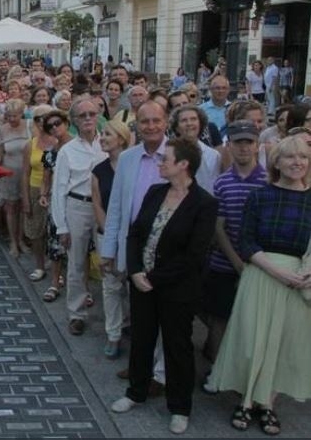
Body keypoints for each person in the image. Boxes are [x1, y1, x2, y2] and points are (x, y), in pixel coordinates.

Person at [110, 138, 218, 436]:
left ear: (183, 165)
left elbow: (194, 255)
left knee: (177, 346)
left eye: (165, 159)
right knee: (142, 339)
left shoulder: (204, 204)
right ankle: (136, 391)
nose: (160, 163)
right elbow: (135, 234)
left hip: (176, 289)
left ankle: (180, 406)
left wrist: (152, 278)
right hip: (141, 282)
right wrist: (134, 271)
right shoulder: (156, 192)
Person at [208, 135, 311, 435]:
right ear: (276, 162)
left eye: (303, 157)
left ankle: (267, 404)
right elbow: (246, 241)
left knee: (282, 346)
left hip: (299, 280)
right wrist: (279, 273)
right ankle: (246, 401)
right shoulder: (260, 195)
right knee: (253, 343)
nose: (297, 162)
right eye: (290, 157)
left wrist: (303, 273)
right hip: (262, 275)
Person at [100, 101, 171, 395]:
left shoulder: (177, 155)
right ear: (136, 126)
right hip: (134, 245)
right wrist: (109, 249)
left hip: (168, 247)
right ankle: (140, 364)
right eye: (145, 122)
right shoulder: (128, 158)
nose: (151, 126)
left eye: (156, 121)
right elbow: (116, 206)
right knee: (139, 311)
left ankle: (161, 372)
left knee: (165, 312)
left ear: (166, 122)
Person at [200, 121, 267, 365]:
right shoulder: (222, 182)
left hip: (259, 264)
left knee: (252, 322)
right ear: (229, 146)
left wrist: (251, 261)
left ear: (257, 146)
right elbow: (218, 227)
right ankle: (216, 370)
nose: (243, 148)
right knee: (219, 318)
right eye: (238, 142)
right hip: (224, 262)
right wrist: (236, 262)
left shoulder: (267, 181)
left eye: (248, 142)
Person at [50, 98, 107, 335]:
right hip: (78, 206)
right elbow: (58, 189)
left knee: (109, 262)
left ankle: (115, 317)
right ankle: (77, 313)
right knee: (76, 263)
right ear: (73, 120)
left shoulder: (108, 143)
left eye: (91, 114)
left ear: (98, 116)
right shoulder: (67, 150)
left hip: (104, 207)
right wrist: (61, 226)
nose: (87, 119)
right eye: (82, 115)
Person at [90, 119, 132, 359]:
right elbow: (97, 203)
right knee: (110, 285)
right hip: (106, 234)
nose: (102, 138)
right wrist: (110, 236)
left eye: (107, 134)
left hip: (132, 234)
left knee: (132, 284)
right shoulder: (99, 170)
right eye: (102, 134)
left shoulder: (134, 166)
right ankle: (113, 334)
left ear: (122, 139)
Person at [38, 110, 73, 303]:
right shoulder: (51, 153)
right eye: (50, 126)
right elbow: (46, 178)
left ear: (66, 123)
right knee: (55, 245)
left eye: (57, 123)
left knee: (79, 248)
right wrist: (43, 195)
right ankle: (54, 282)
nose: (55, 128)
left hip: (76, 204)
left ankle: (82, 289)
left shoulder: (79, 147)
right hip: (56, 204)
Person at [0, 99, 32, 257]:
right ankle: (13, 242)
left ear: (21, 114)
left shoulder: (29, 126)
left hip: (26, 172)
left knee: (24, 207)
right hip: (9, 172)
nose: (11, 119)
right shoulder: (2, 129)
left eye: (15, 116)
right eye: (8, 116)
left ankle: (21, 239)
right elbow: (0, 151)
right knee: (11, 208)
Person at [22, 104, 56, 282]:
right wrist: (26, 199)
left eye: (47, 117)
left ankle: (57, 268)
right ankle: (40, 265)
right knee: (36, 232)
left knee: (55, 232)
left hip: (55, 190)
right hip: (35, 189)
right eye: (38, 118)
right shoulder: (31, 144)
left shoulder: (60, 142)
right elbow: (25, 173)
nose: (43, 121)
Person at [168, 105, 222, 194]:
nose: (189, 123)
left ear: (200, 124)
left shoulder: (213, 155)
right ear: (177, 127)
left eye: (193, 119)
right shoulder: (168, 154)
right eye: (184, 120)